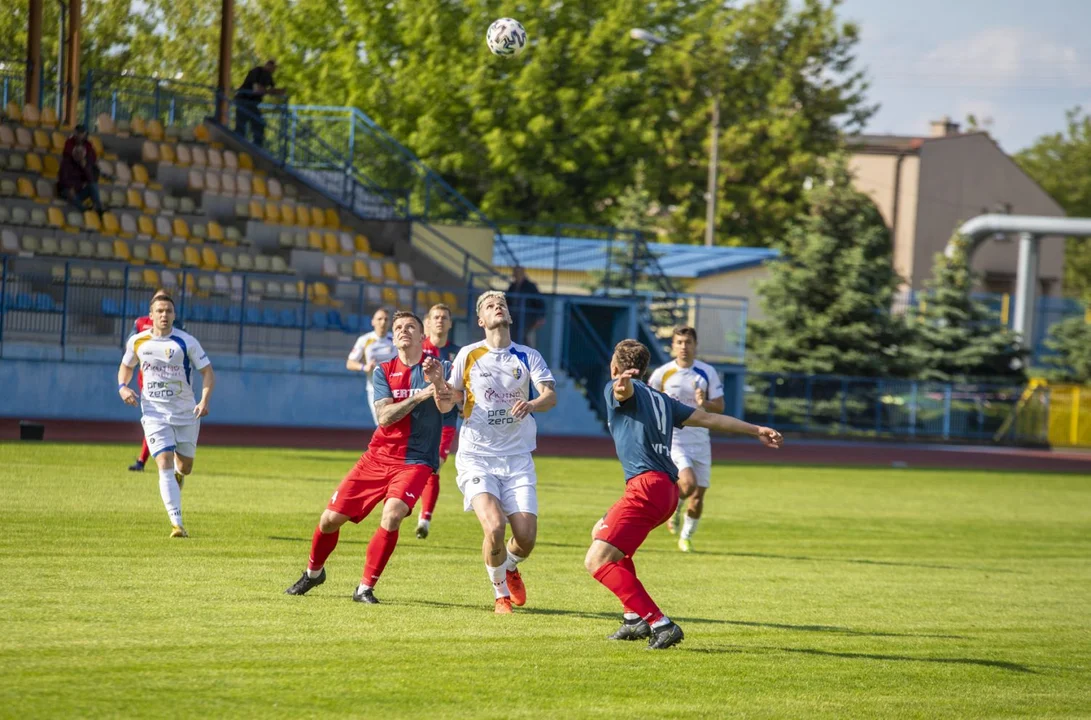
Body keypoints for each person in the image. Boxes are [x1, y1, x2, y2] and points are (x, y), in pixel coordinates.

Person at [585, 340, 782, 649]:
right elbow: (711, 419)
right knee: (602, 533)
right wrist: (756, 429)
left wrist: (621, 385)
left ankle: (659, 623)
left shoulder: (617, 388)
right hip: (666, 491)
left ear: (614, 367)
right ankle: (633, 619)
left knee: (596, 560)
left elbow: (623, 392)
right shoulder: (664, 401)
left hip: (646, 488)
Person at [284, 311, 455, 603]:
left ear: (421, 335)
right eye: (398, 327)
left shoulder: (441, 366)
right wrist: (419, 396)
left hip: (416, 460)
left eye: (410, 327)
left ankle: (365, 587)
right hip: (377, 458)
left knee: (393, 514)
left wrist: (437, 384)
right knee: (328, 520)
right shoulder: (384, 370)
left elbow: (445, 407)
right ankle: (314, 574)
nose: (403, 331)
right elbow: (385, 417)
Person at [447, 291, 557, 613]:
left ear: (509, 316)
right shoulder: (467, 354)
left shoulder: (527, 356)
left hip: (518, 458)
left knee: (526, 538)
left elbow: (550, 395)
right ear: (481, 320)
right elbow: (450, 399)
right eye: (491, 306)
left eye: (503, 305)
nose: (499, 308)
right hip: (477, 456)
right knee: (494, 526)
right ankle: (500, 595)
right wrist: (438, 385)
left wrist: (533, 403)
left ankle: (509, 566)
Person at [117, 293, 215, 538]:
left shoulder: (186, 342)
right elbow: (126, 366)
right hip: (154, 413)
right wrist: (122, 387)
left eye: (168, 311)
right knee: (163, 461)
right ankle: (177, 524)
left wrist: (203, 400)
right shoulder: (138, 341)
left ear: (174, 315)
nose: (164, 315)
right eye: (159, 311)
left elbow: (208, 373)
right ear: (150, 316)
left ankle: (180, 476)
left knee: (185, 466)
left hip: (185, 413)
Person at [648, 326, 725, 552]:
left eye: (688, 342)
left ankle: (686, 536)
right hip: (675, 438)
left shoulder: (706, 372)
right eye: (679, 342)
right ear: (673, 345)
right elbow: (649, 403)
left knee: (699, 496)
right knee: (688, 483)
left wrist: (705, 403)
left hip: (701, 440)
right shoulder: (662, 373)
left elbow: (719, 406)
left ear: (695, 345)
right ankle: (673, 508)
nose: (684, 347)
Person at [417, 303, 461, 540]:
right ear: (428, 322)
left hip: (447, 419)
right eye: (436, 317)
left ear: (450, 323)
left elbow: (467, 384)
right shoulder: (418, 350)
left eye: (444, 317)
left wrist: (464, 404)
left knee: (435, 466)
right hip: (420, 419)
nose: (440, 321)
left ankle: (424, 518)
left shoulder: (460, 353)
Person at [346, 308, 397, 427]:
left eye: (386, 319)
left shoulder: (395, 339)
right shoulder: (365, 340)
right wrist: (364, 367)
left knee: (396, 424)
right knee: (382, 424)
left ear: (390, 322)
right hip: (375, 389)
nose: (383, 322)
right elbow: (350, 363)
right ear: (372, 322)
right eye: (379, 319)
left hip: (396, 388)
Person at [234, 59, 284, 148]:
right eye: (272, 68)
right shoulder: (257, 71)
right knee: (241, 125)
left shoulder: (269, 77)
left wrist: (278, 91)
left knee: (259, 123)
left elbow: (273, 90)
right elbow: (257, 89)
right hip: (243, 100)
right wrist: (269, 91)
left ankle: (256, 145)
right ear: (267, 65)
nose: (273, 71)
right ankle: (238, 144)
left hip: (253, 103)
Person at [58, 140, 104, 215]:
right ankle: (85, 210)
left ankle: (98, 208)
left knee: (92, 185)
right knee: (70, 193)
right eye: (78, 153)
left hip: (78, 192)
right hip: (66, 191)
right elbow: (62, 178)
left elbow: (90, 180)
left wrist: (85, 168)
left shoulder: (84, 163)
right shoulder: (66, 163)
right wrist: (70, 187)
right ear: (74, 153)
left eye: (81, 154)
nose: (79, 155)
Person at [505, 266, 546, 347]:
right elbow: (507, 301)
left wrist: (541, 317)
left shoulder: (530, 286)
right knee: (513, 338)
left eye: (518, 273)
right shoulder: (512, 286)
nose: (516, 276)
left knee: (527, 339)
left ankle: (530, 357)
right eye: (515, 273)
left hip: (527, 319)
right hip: (514, 318)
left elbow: (539, 302)